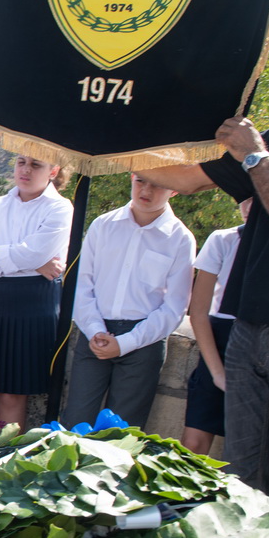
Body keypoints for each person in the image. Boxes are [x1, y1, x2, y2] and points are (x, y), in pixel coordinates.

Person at [138, 115, 269, 495]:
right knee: (242, 476)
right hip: (248, 332)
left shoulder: (261, 149)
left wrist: (255, 155)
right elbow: (187, 179)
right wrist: (93, 145)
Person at [62, 174, 195, 430]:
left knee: (122, 432)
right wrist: (96, 330)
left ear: (175, 189)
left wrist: (126, 342)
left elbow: (175, 307)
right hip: (95, 334)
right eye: (140, 181)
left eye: (157, 182)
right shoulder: (103, 225)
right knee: (76, 421)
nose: (146, 189)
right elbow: (83, 283)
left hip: (144, 342)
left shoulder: (180, 238)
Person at [0, 155, 73, 428]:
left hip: (33, 304)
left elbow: (26, 253)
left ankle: (1, 466)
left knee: (13, 395)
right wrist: (32, 262)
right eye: (21, 162)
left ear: (53, 170)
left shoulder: (60, 208)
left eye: (36, 165)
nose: (25, 169)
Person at [181, 200, 250, 454]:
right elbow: (198, 313)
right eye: (245, 197)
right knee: (193, 444)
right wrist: (218, 374)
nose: (250, 205)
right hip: (218, 343)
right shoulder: (223, 239)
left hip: (267, 349)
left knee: (246, 451)